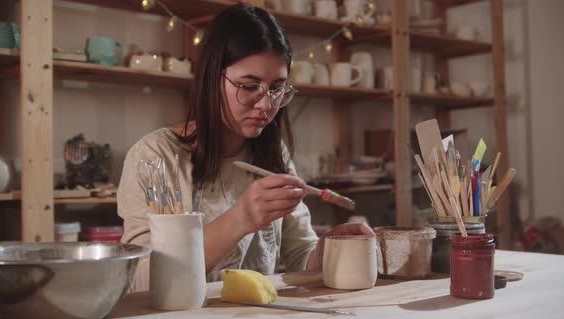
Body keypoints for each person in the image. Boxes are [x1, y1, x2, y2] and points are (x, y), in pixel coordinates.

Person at [118, 4, 374, 291]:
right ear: (212, 78)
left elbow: (300, 257)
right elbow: (137, 282)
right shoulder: (154, 157)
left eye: (277, 88)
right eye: (248, 86)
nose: (266, 104)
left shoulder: (272, 151)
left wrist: (329, 250)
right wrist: (239, 220)